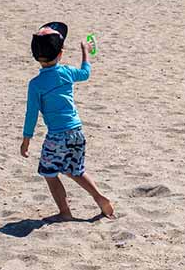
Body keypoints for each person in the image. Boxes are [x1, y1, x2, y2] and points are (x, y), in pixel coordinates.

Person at [21, 22, 115, 221]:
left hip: (57, 135)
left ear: (35, 56)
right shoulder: (66, 72)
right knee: (76, 170)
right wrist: (85, 51)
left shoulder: (35, 84)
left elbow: (32, 114)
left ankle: (65, 212)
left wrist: (26, 140)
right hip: (77, 132)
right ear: (61, 53)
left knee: (49, 172)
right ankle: (99, 197)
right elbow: (86, 73)